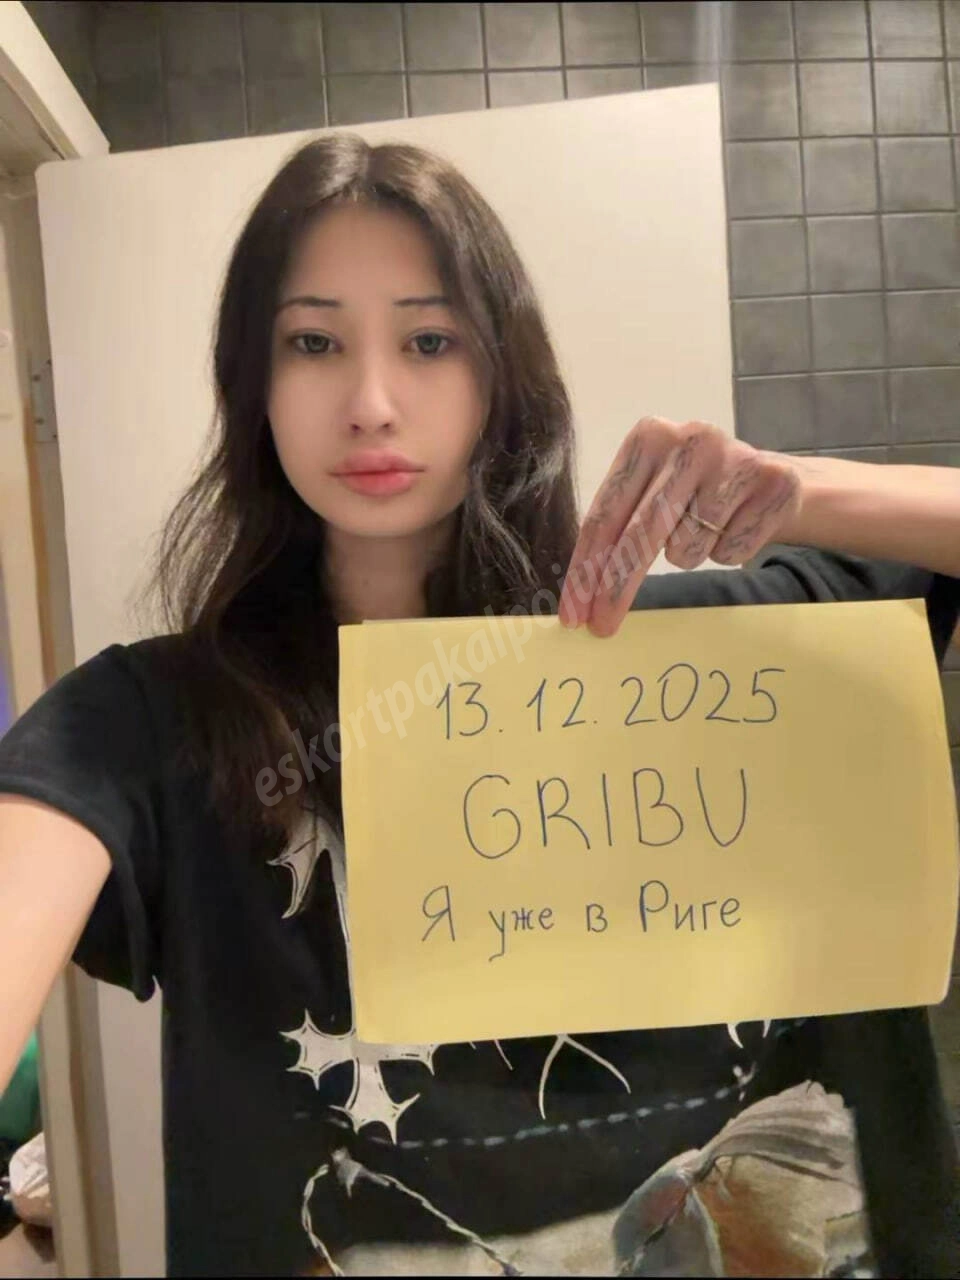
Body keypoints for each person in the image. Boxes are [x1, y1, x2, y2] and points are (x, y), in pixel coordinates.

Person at [0, 133, 958, 1279]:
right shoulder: (153, 725)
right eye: (313, 342)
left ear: (503, 371)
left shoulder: (729, 660)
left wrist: (796, 489)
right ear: (252, 382)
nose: (370, 402)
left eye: (429, 339)